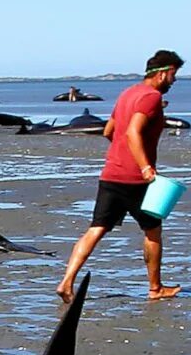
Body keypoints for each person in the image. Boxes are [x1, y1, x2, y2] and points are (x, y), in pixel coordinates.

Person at [54, 48, 183, 303]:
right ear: (164, 73)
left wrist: (122, 153)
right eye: (174, 75)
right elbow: (133, 132)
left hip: (111, 174)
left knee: (95, 229)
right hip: (136, 179)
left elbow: (108, 131)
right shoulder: (151, 97)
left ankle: (66, 282)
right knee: (153, 231)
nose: (175, 80)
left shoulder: (127, 93)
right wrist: (145, 167)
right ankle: (156, 288)